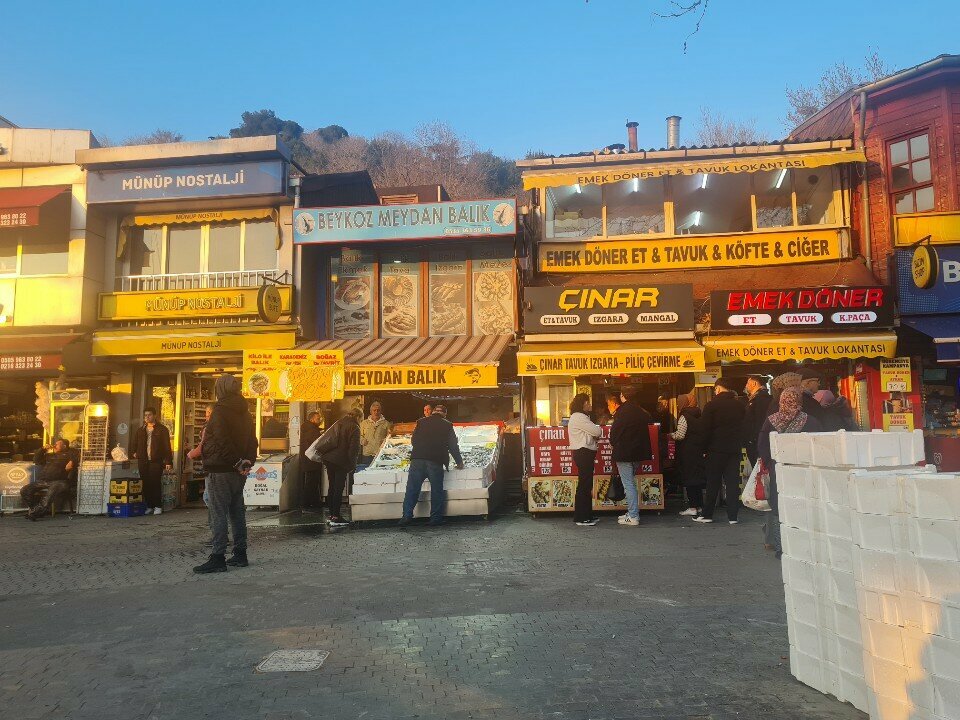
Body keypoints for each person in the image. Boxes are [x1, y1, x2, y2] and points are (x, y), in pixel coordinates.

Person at [193, 374, 258, 574]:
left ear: (220, 389)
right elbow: (251, 440)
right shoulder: (245, 412)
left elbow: (221, 441)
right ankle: (240, 553)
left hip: (221, 469)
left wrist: (236, 462)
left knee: (218, 512)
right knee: (237, 511)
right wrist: (246, 463)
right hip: (238, 471)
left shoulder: (220, 411)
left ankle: (218, 556)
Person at [758, 386, 824, 555]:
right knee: (802, 506)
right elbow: (819, 445)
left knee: (779, 509)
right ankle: (802, 546)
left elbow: (762, 446)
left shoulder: (771, 420)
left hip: (778, 470)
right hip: (803, 471)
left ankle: (781, 548)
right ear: (799, 402)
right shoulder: (811, 421)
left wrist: (770, 463)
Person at [399, 404, 464, 527]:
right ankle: (435, 518)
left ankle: (406, 516)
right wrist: (459, 462)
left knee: (412, 489)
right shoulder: (447, 425)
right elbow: (453, 446)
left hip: (417, 460)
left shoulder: (421, 422)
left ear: (433, 411)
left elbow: (413, 441)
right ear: (444, 414)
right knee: (436, 490)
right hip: (435, 460)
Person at [694, 378, 747, 525]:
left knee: (713, 482)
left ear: (717, 388)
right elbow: (744, 426)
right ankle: (733, 516)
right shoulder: (739, 405)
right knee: (732, 482)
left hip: (715, 449)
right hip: (734, 449)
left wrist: (703, 449)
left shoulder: (712, 406)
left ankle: (707, 514)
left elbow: (704, 429)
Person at [609, 387, 653, 527]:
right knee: (631, 483)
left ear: (623, 396)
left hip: (624, 453)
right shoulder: (641, 411)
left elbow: (615, 432)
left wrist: (612, 442)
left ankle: (633, 515)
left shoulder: (622, 412)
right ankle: (631, 513)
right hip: (638, 453)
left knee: (628, 484)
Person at [318, 408, 362, 527]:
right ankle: (336, 517)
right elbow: (354, 449)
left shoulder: (338, 422)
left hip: (329, 458)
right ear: (358, 417)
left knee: (332, 487)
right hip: (340, 460)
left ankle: (331, 515)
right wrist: (352, 465)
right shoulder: (354, 427)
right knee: (338, 489)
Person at [567, 393, 602, 527]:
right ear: (583, 404)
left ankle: (587, 514)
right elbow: (597, 432)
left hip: (584, 453)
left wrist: (592, 433)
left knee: (586, 484)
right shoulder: (579, 417)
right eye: (588, 402)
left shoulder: (580, 417)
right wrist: (594, 432)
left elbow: (593, 433)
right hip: (584, 452)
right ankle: (582, 517)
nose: (590, 405)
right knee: (584, 485)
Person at [21, 439, 76, 520]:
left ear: (64, 446)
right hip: (44, 481)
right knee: (25, 490)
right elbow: (36, 460)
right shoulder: (50, 455)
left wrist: (72, 461)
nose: (55, 445)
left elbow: (76, 453)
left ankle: (35, 513)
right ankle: (35, 510)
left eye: (57, 444)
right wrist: (42, 449)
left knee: (49, 494)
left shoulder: (69, 454)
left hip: (60, 481)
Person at [132, 407, 172, 516]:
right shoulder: (140, 430)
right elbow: (135, 443)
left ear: (155, 415)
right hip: (143, 460)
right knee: (145, 483)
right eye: (145, 415)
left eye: (149, 415)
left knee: (155, 483)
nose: (147, 417)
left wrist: (168, 461)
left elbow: (167, 446)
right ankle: (149, 505)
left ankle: (158, 506)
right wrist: (134, 452)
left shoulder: (162, 429)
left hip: (156, 460)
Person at [671, 392, 705, 517]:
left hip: (687, 452)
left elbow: (680, 435)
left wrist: (670, 435)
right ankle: (699, 505)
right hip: (698, 450)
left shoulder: (685, 416)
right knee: (697, 479)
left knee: (690, 479)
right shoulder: (699, 414)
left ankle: (692, 507)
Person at [743, 375, 772, 466]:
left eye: (748, 383)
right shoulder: (757, 398)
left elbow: (760, 420)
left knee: (759, 469)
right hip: (756, 440)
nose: (746, 386)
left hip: (756, 442)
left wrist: (753, 438)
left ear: (754, 383)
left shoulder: (761, 399)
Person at [299, 411, 324, 508]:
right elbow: (316, 443)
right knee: (312, 481)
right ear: (312, 419)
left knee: (311, 481)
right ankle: (308, 503)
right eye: (318, 419)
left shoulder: (308, 428)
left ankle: (312, 502)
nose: (319, 420)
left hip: (307, 459)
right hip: (311, 459)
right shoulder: (312, 429)